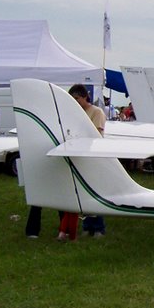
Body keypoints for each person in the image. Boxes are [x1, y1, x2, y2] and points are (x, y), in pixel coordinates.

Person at [58, 84, 108, 240]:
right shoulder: (75, 113)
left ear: (85, 97)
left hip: (93, 156)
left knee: (95, 193)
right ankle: (87, 226)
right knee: (84, 193)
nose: (75, 101)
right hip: (79, 155)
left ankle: (98, 227)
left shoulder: (97, 112)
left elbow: (96, 134)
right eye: (73, 99)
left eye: (77, 98)